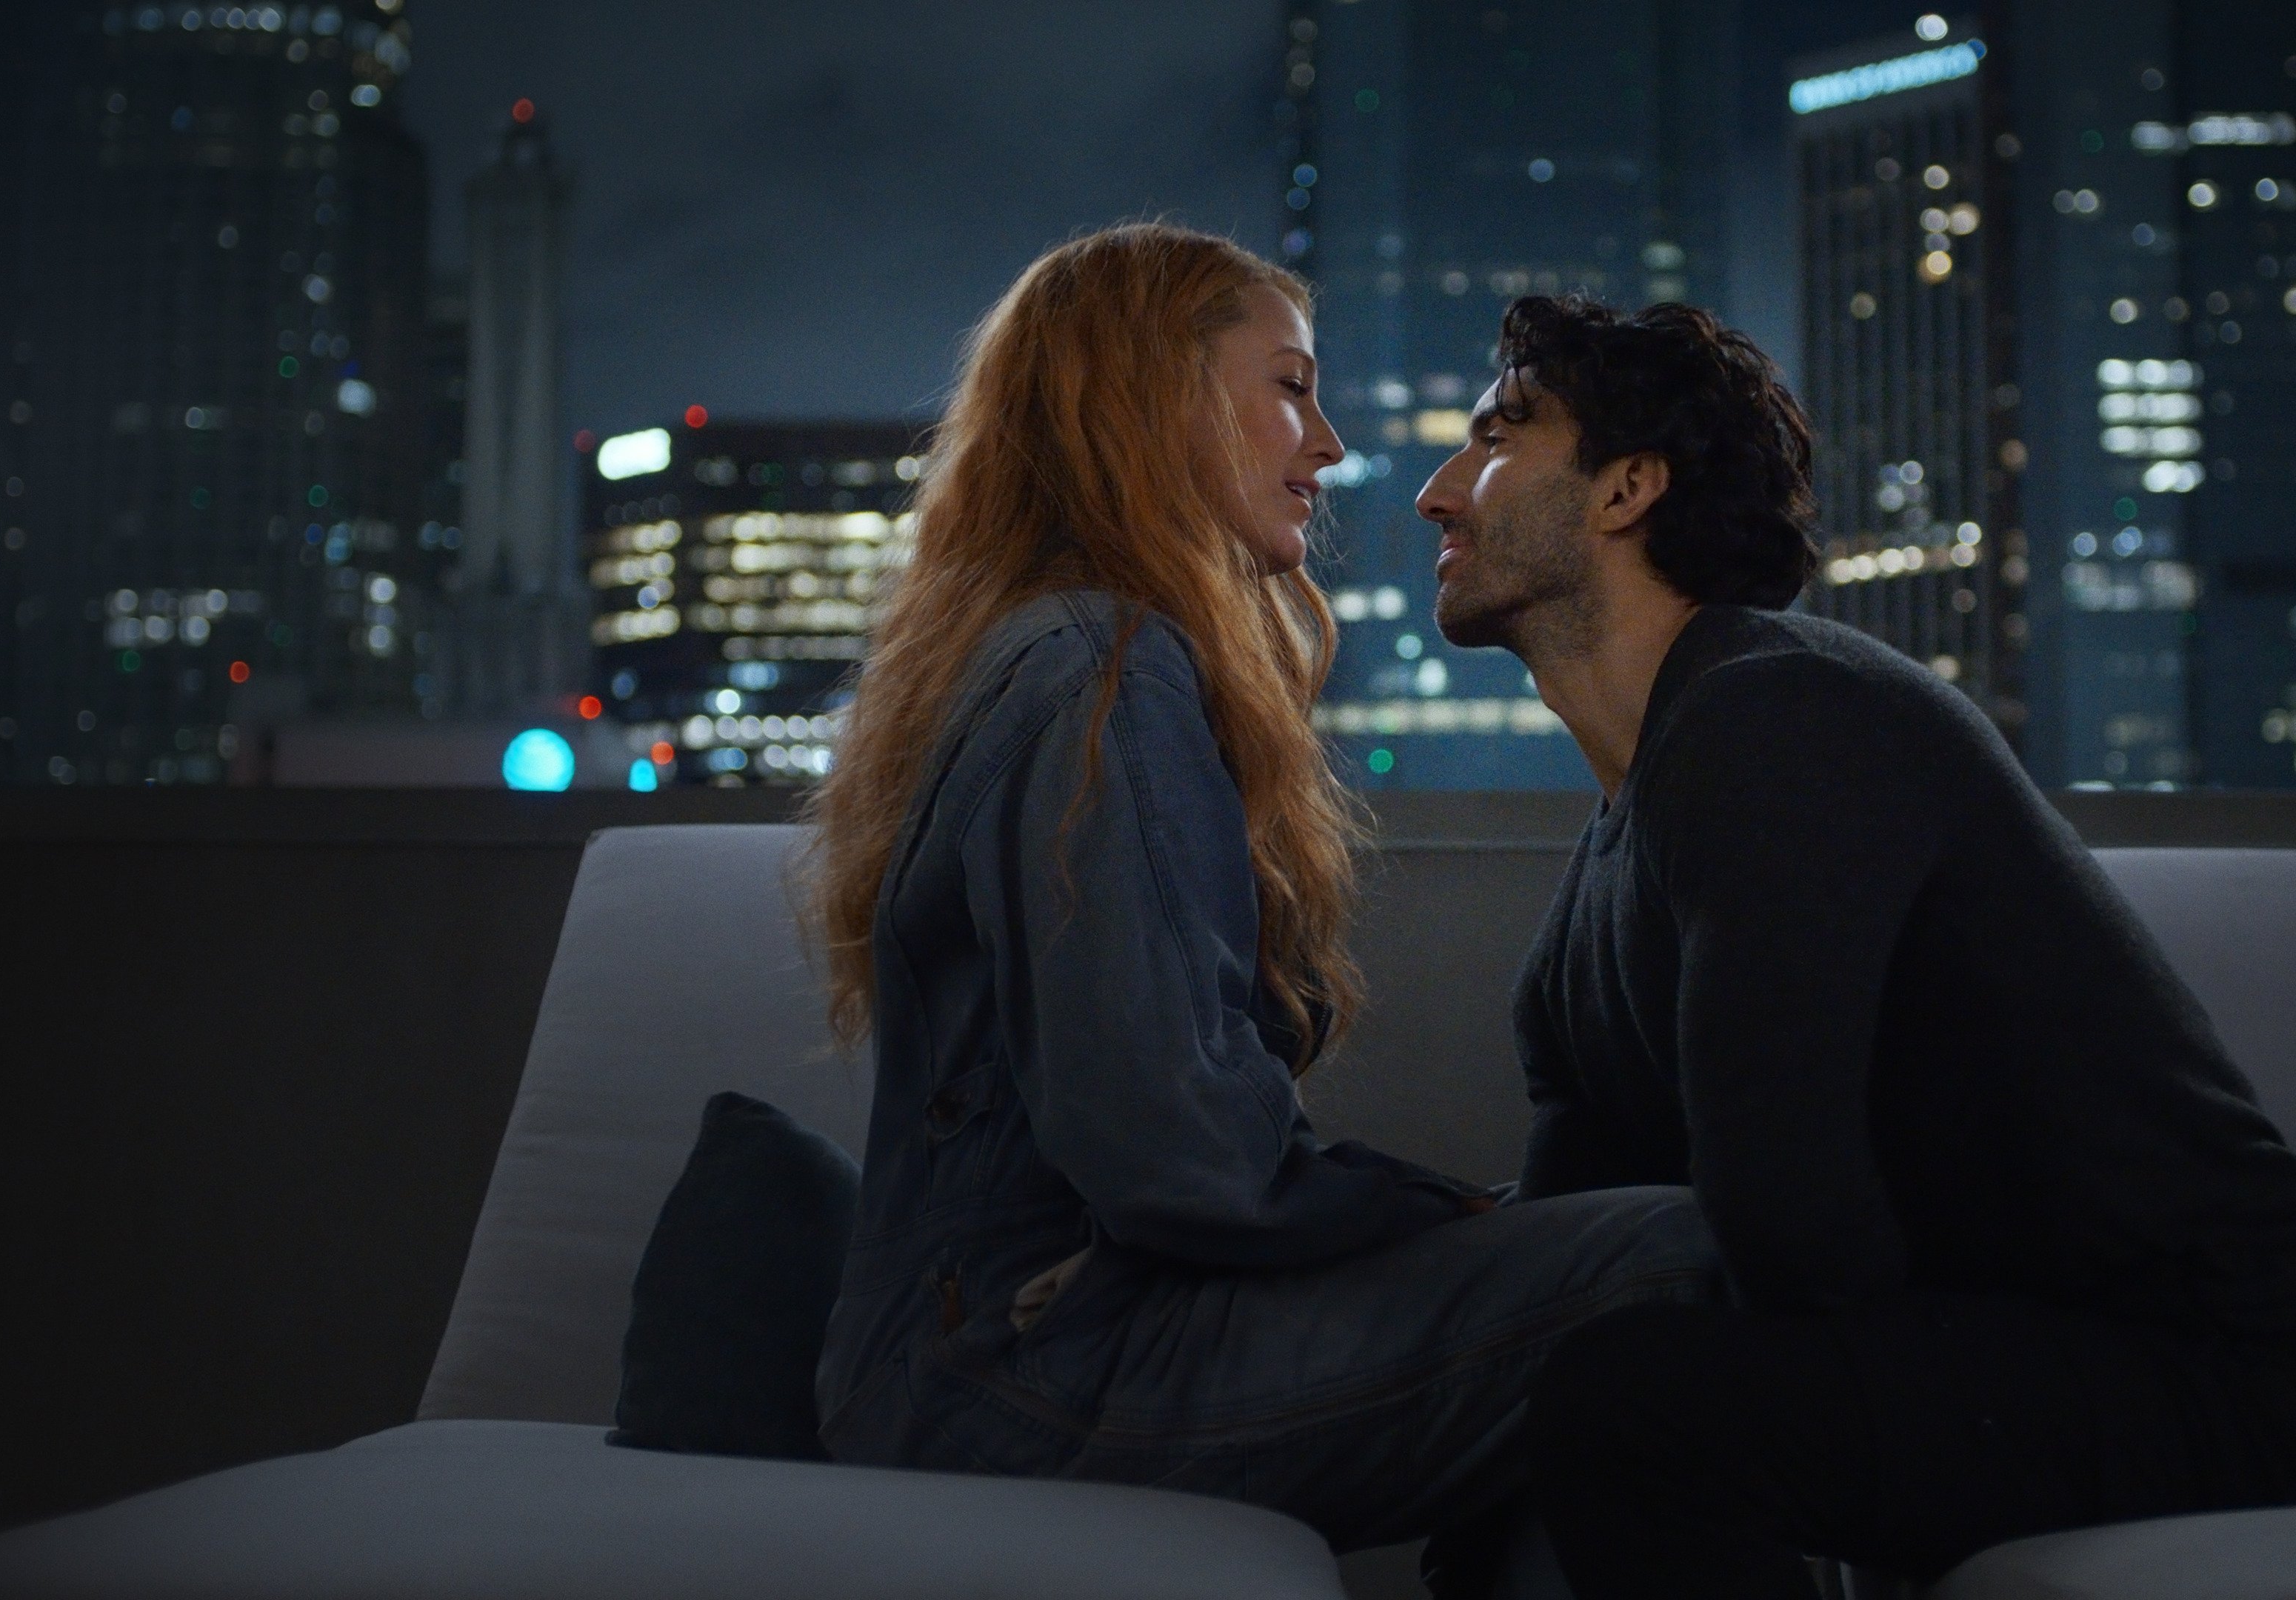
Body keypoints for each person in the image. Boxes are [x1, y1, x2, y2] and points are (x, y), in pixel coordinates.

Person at [799, 224, 1717, 1587]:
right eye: (1290, 387)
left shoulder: (1051, 649)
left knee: (1587, 1322)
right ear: (1152, 399)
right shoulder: (1103, 666)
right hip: (1024, 1375)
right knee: (1681, 1260)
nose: (1329, 446)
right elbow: (1180, 1155)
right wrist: (1453, 1222)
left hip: (984, 1358)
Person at [1410, 293, 2296, 1598]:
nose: (1437, 491)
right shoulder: (1594, 903)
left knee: (1636, 1405)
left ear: (1627, 489)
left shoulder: (1781, 717)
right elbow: (1558, 1264)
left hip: (2218, 1358)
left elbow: (1790, 1217)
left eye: (1497, 437)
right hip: (2015, 1347)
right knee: (1537, 1429)